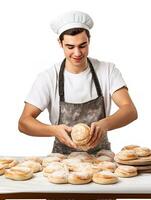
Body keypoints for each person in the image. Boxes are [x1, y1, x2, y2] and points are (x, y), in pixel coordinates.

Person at [18, 11, 138, 155]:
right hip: (61, 163)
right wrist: (53, 130)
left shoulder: (107, 70)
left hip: (102, 160)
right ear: (60, 43)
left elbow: (130, 110)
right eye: (70, 47)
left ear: (89, 41)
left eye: (82, 45)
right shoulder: (48, 77)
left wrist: (105, 124)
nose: (77, 53)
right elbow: (24, 122)